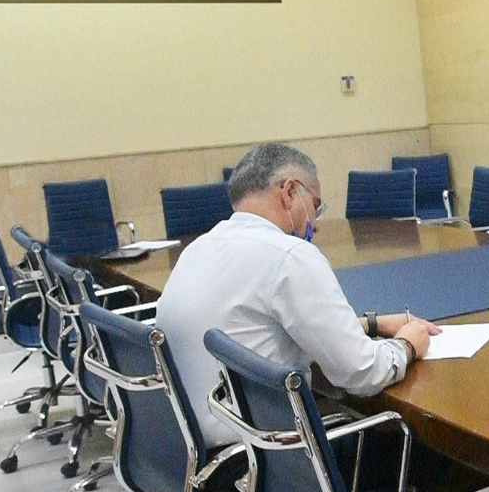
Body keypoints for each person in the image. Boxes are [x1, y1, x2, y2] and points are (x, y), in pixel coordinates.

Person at [156, 143, 441, 452]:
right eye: (315, 205)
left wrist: (372, 324)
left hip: (197, 450)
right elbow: (361, 373)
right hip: (270, 462)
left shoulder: (198, 249)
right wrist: (407, 344)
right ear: (289, 191)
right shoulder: (289, 256)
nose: (315, 224)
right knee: (423, 450)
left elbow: (255, 326)